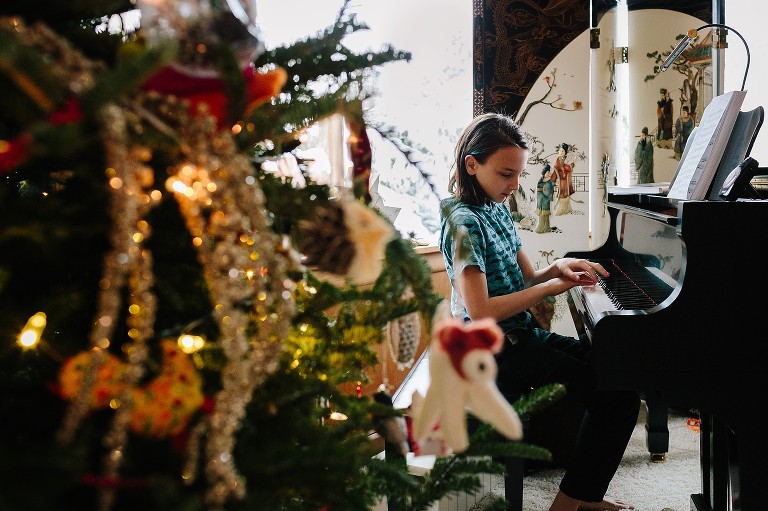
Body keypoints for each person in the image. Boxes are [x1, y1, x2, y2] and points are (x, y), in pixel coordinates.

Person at [439, 112, 640, 511]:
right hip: (495, 351)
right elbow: (480, 312)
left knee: (620, 375)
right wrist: (555, 285)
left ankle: (582, 495)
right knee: (615, 399)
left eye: (518, 175)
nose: (513, 186)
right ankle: (569, 503)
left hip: (522, 336)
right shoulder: (461, 223)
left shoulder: (495, 208)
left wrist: (561, 266)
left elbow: (528, 278)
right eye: (505, 174)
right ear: (472, 164)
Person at [550, 143, 575, 215]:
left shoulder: (568, 159)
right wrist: (553, 179)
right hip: (561, 179)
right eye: (560, 151)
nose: (561, 153)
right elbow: (555, 169)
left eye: (563, 151)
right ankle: (562, 208)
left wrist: (567, 166)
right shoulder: (558, 159)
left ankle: (565, 209)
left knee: (565, 193)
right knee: (562, 193)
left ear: (566, 152)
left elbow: (570, 167)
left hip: (566, 179)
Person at [535, 163, 554, 233]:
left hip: (546, 199)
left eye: (549, 172)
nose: (549, 173)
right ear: (544, 172)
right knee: (540, 213)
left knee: (545, 214)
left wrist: (549, 197)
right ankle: (541, 226)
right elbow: (538, 189)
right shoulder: (540, 180)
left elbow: (550, 190)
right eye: (548, 172)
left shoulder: (550, 181)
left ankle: (546, 227)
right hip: (540, 199)